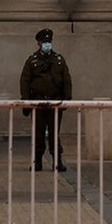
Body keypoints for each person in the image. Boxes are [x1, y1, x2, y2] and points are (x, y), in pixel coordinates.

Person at [19, 26, 72, 171]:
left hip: (55, 102)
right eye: (44, 42)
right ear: (39, 43)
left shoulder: (59, 61)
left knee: (55, 133)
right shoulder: (32, 61)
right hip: (38, 102)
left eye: (49, 41)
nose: (47, 44)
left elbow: (66, 80)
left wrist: (67, 98)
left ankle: (57, 161)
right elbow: (25, 81)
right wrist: (26, 101)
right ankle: (37, 161)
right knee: (39, 133)